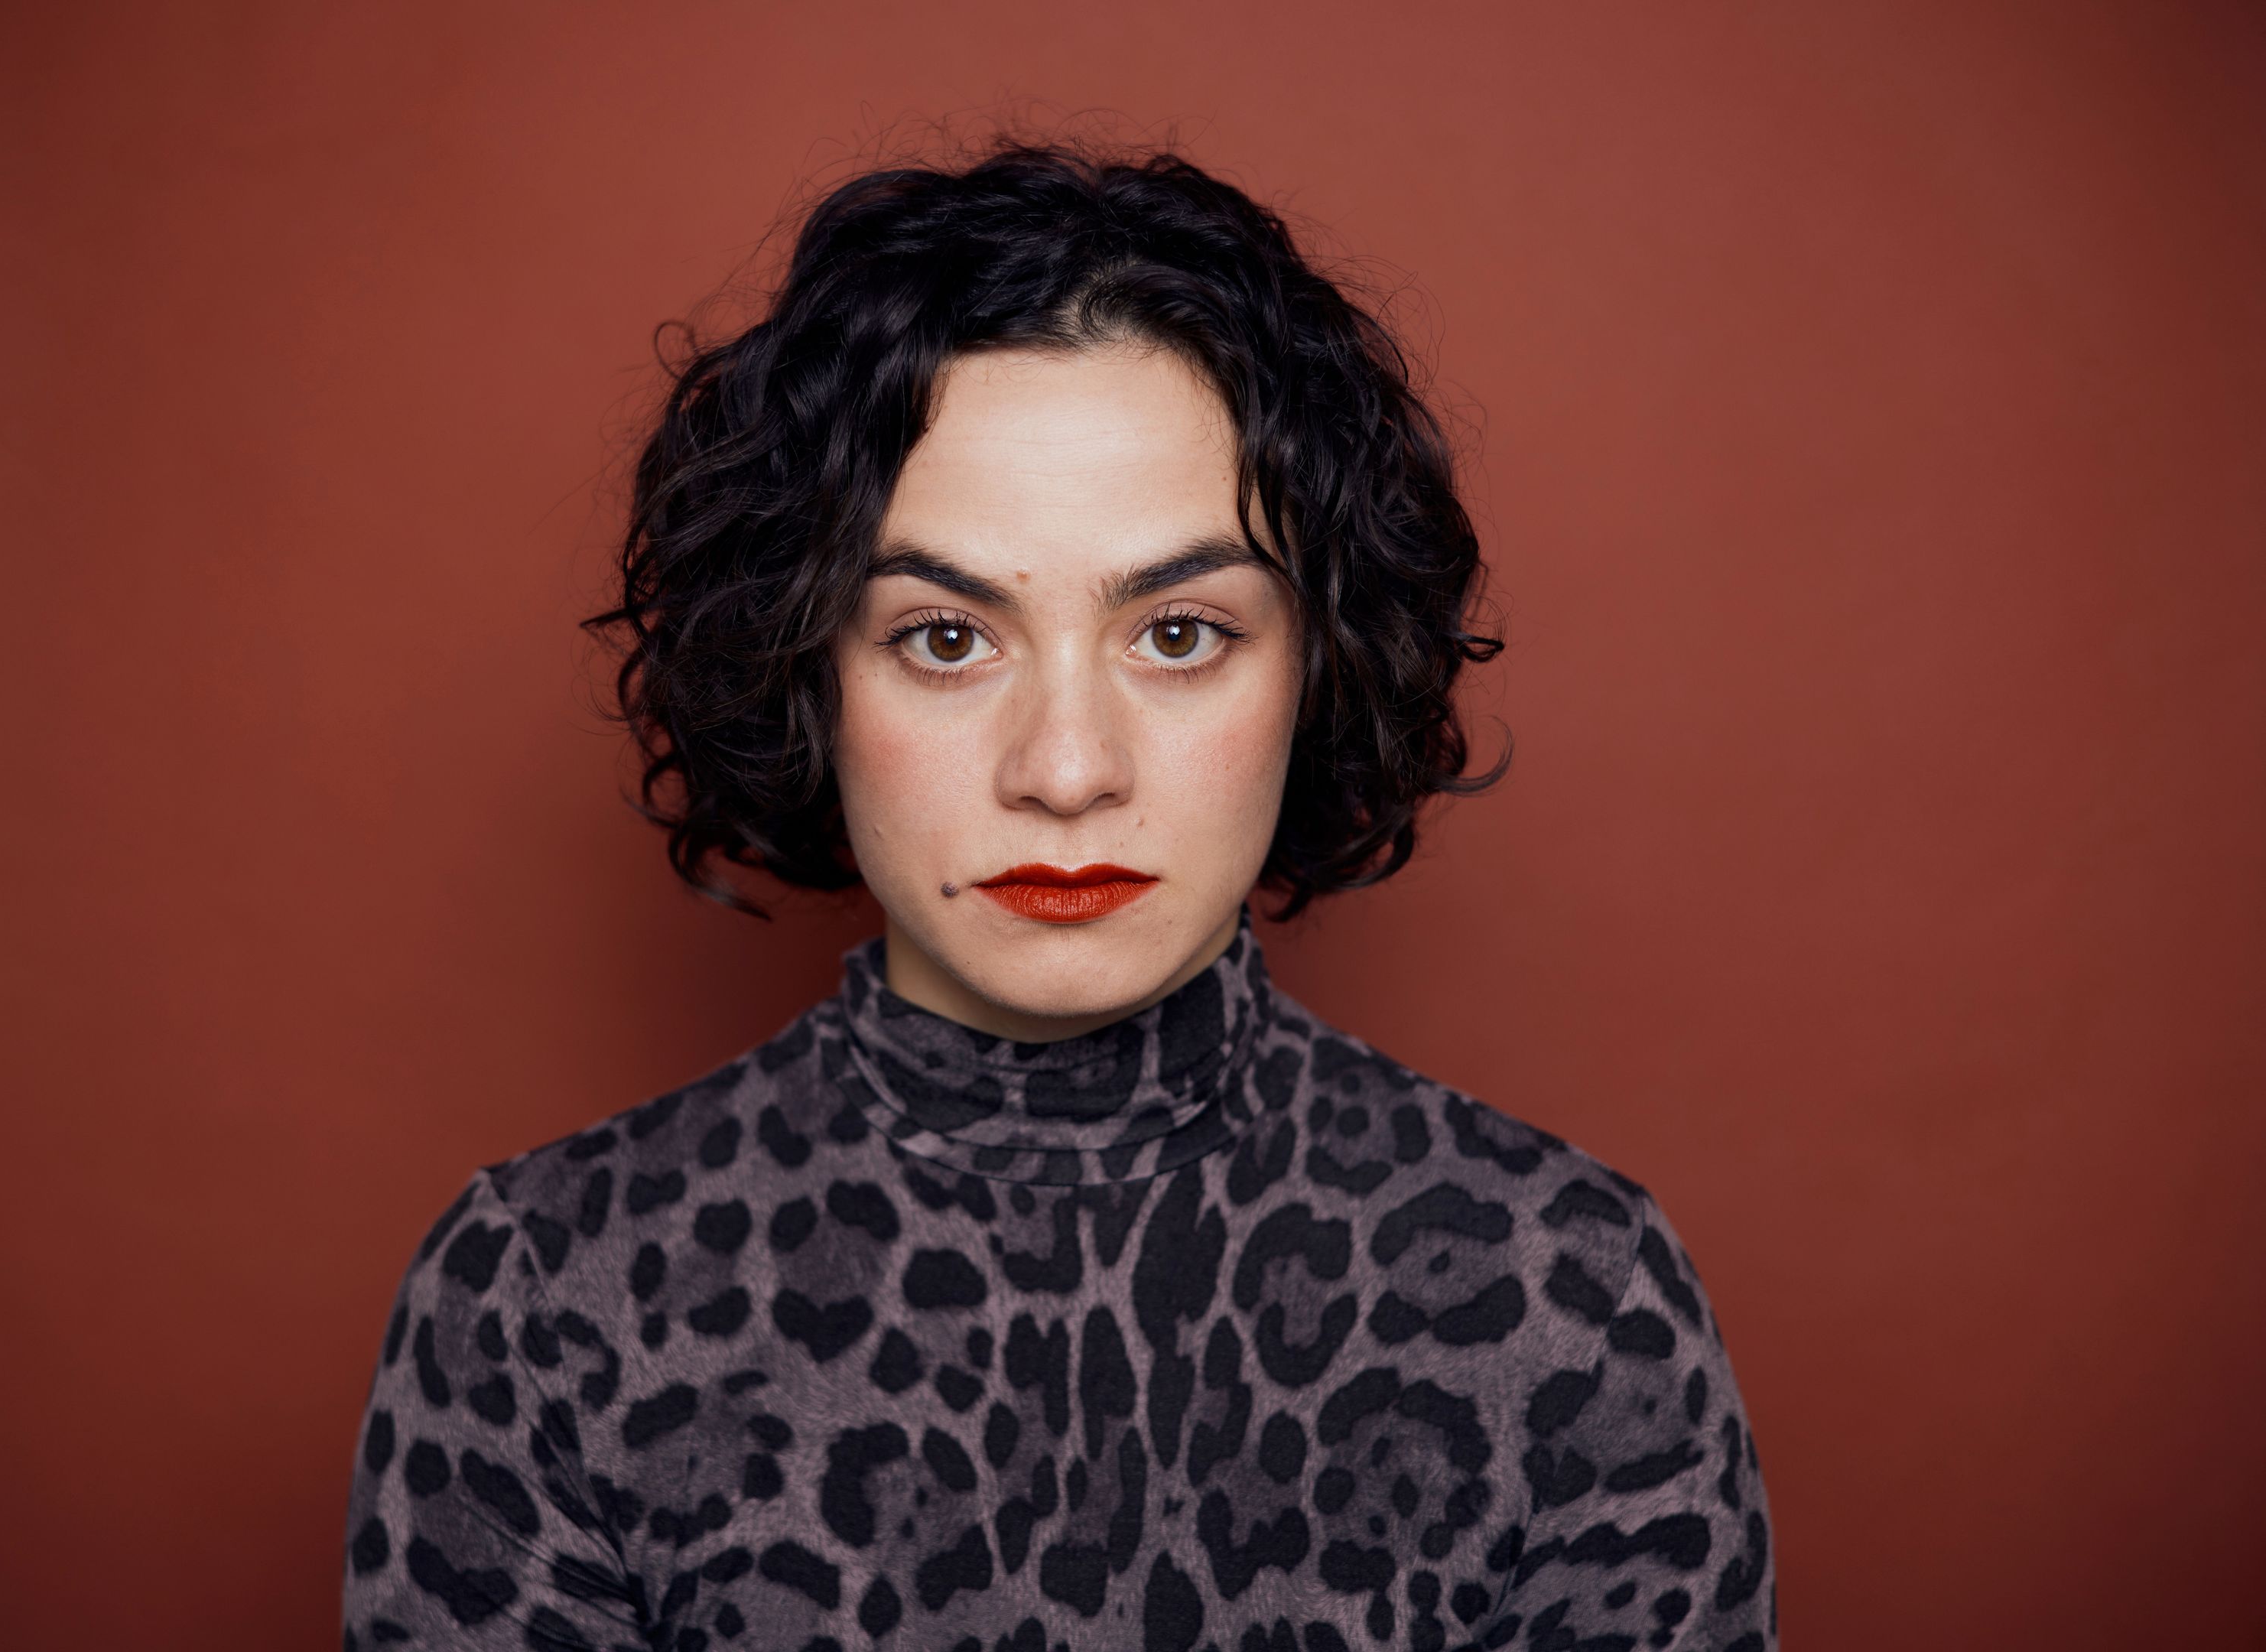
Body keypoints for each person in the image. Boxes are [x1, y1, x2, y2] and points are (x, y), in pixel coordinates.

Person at [341, 142, 1776, 1652]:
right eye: (945, 638)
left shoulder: (1567, 1305)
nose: (1067, 770)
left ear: (1318, 663)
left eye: (1179, 633)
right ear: (807, 668)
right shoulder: (543, 1306)